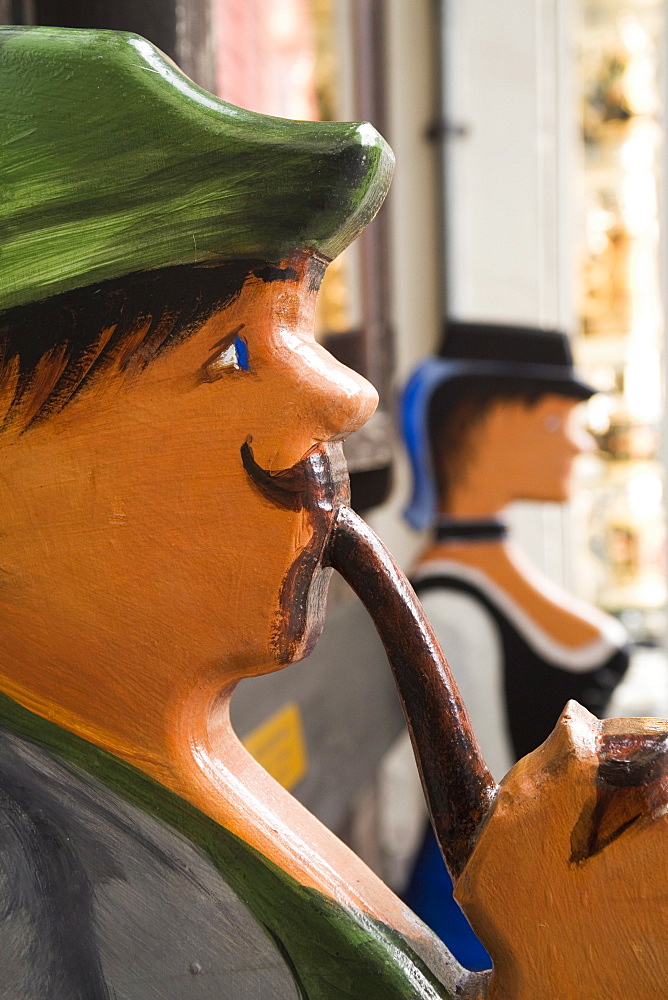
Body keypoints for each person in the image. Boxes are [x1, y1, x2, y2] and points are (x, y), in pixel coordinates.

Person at [0, 26, 470, 1000]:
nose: (346, 397)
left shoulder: (135, 774)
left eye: (301, 326)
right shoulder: (44, 897)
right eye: (227, 353)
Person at [400, 320, 630, 969]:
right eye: (559, 425)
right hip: (491, 922)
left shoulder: (482, 578)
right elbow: (489, 813)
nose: (582, 447)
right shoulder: (449, 606)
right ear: (490, 424)